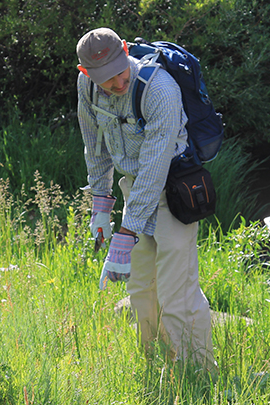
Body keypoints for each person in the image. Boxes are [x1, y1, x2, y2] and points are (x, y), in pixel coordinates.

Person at [75, 28, 215, 367]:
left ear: (126, 50)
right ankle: (156, 365)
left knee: (176, 294)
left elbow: (154, 168)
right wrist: (101, 204)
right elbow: (95, 146)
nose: (118, 83)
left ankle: (196, 373)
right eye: (107, 79)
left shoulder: (160, 89)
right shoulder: (87, 87)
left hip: (173, 193)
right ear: (86, 73)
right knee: (140, 290)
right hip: (133, 191)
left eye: (121, 71)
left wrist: (127, 232)